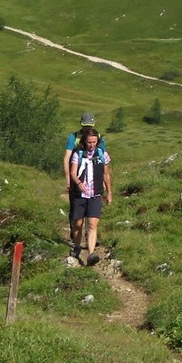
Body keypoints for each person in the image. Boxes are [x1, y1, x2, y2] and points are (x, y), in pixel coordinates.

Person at [64, 112, 106, 255]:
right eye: (85, 126)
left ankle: (90, 243)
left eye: (89, 126)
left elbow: (102, 159)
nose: (87, 129)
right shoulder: (74, 137)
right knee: (77, 217)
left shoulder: (98, 137)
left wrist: (104, 182)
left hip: (93, 183)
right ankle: (75, 239)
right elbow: (67, 157)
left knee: (92, 218)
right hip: (77, 179)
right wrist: (69, 178)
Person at [68, 128, 111, 266]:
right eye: (89, 142)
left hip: (95, 194)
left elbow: (106, 174)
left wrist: (109, 192)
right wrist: (79, 183)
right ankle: (77, 247)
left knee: (92, 225)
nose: (92, 145)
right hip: (80, 195)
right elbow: (73, 172)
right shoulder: (78, 154)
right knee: (78, 224)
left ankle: (91, 254)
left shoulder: (102, 154)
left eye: (94, 142)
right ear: (84, 142)